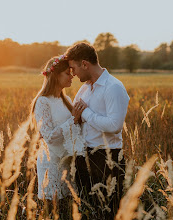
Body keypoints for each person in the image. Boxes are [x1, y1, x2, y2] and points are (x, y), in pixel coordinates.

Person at [65, 42, 130, 219]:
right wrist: (77, 117)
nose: (73, 73)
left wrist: (85, 112)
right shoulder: (84, 89)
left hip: (107, 159)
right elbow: (75, 117)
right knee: (87, 211)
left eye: (74, 68)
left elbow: (114, 125)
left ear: (84, 64)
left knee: (108, 212)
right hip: (84, 156)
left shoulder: (113, 87)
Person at [30, 55, 85, 216]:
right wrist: (73, 119)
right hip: (51, 163)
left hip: (68, 161)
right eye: (68, 73)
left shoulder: (66, 99)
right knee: (52, 210)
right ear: (55, 75)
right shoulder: (42, 102)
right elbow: (50, 136)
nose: (72, 76)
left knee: (68, 209)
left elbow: (74, 128)